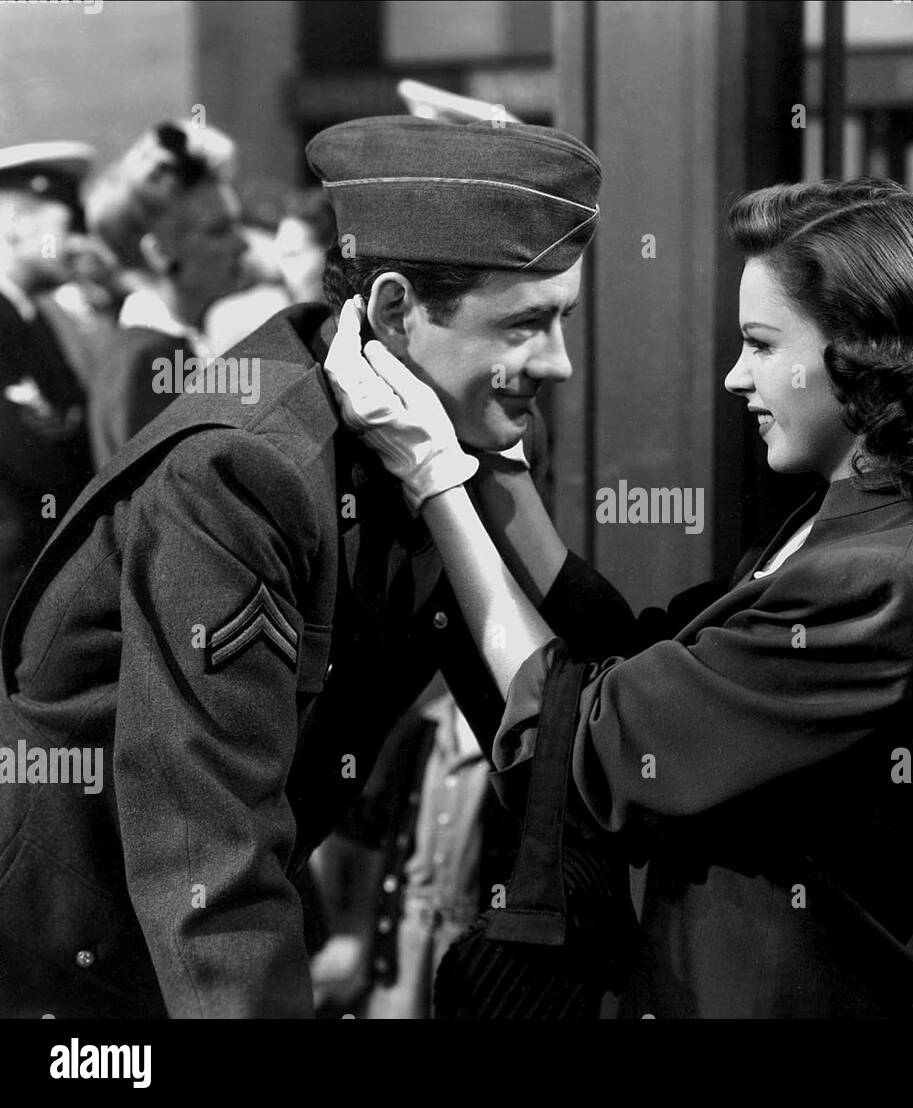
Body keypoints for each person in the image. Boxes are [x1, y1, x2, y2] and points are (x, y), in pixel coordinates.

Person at [322, 177, 913, 1018]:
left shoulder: (877, 579)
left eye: (759, 344)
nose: (733, 377)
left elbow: (598, 743)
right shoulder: (857, 518)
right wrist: (495, 465)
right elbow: (646, 663)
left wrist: (435, 479)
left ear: (866, 350)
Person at [0, 115, 628, 1018]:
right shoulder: (243, 471)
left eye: (561, 319)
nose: (557, 362)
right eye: (526, 325)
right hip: (80, 969)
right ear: (395, 311)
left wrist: (493, 487)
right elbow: (206, 847)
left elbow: (573, 711)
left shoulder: (434, 431)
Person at [83, 121, 248, 466]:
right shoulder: (149, 357)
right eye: (219, 230)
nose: (242, 243)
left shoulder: (169, 345)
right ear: (159, 252)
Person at [0, 141, 97, 624]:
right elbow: (29, 457)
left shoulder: (34, 318)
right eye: (65, 226)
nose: (78, 245)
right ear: (16, 224)